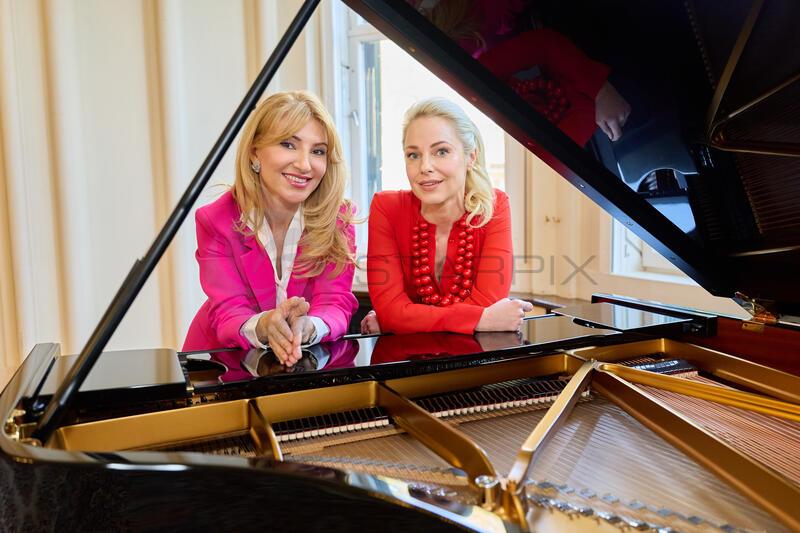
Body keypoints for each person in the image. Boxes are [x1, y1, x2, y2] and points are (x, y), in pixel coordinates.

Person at [183, 91, 358, 366]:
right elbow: (228, 312)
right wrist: (264, 325)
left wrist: (310, 326)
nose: (304, 164)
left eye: (318, 151)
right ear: (255, 152)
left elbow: (335, 302)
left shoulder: (339, 219)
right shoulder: (215, 220)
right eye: (288, 145)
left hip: (303, 362)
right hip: (223, 366)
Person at [363, 97, 532, 335]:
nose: (425, 167)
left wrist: (405, 319)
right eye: (413, 155)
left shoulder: (495, 207)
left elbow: (488, 302)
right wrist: (481, 319)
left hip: (475, 362)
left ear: (470, 157)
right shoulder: (386, 207)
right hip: (408, 364)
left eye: (441, 151)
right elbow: (391, 313)